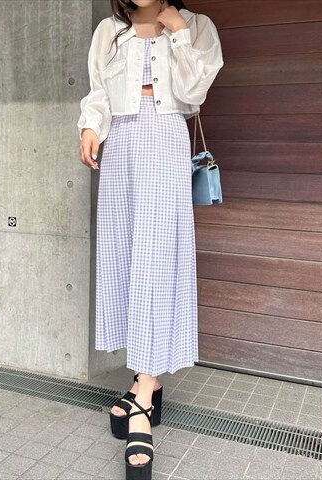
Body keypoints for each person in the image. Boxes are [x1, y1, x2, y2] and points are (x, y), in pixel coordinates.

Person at [77, 1, 223, 478]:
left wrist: (177, 30)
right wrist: (90, 125)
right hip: (120, 143)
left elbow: (195, 91)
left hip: (165, 140)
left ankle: (143, 395)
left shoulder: (196, 26)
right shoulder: (109, 29)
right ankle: (147, 379)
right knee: (123, 258)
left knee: (156, 262)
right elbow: (99, 90)